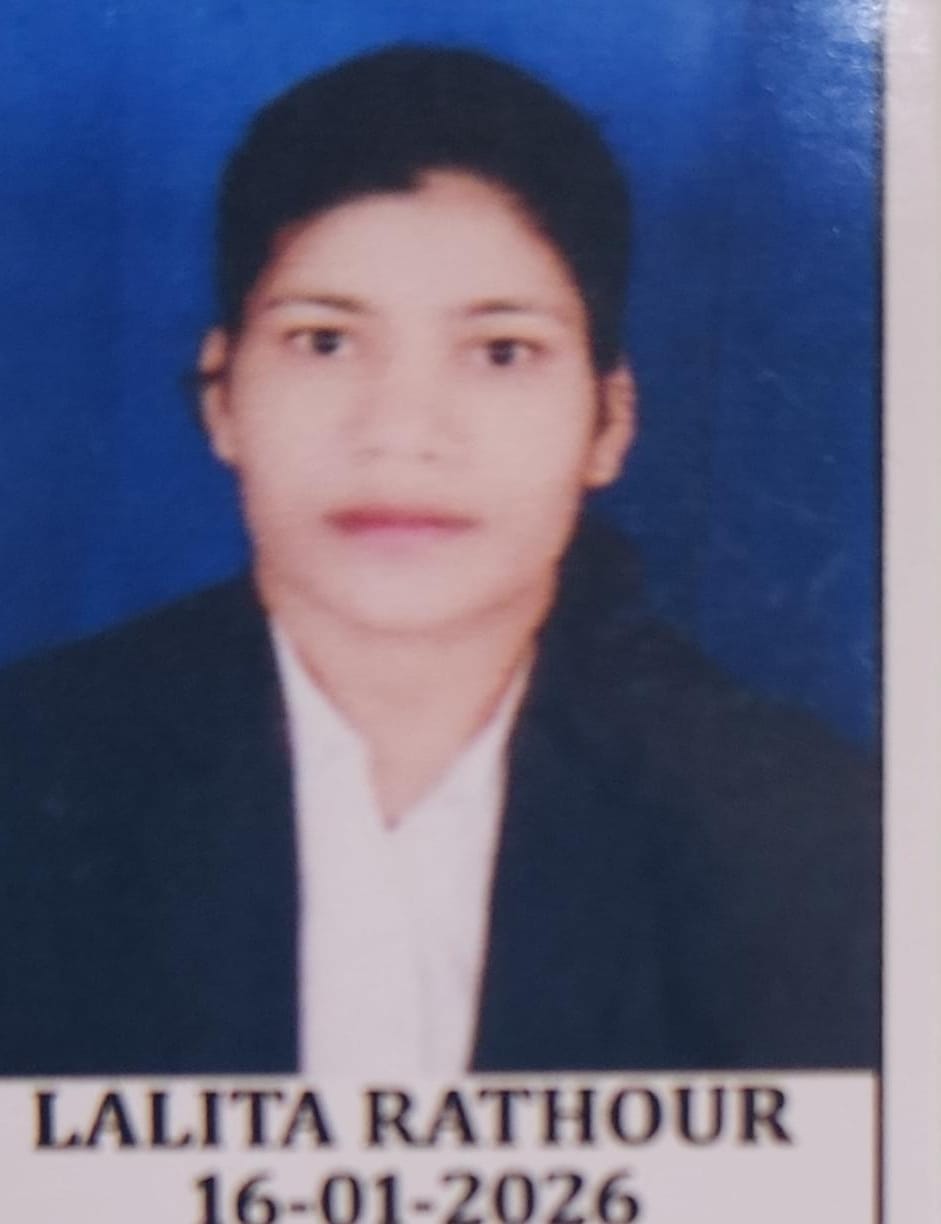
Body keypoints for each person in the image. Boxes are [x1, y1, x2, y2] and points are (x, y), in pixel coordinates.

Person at [0, 45, 878, 1076]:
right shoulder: (29, 782)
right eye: (324, 341)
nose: (402, 432)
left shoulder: (805, 833)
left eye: (500, 351)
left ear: (608, 420)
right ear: (221, 394)